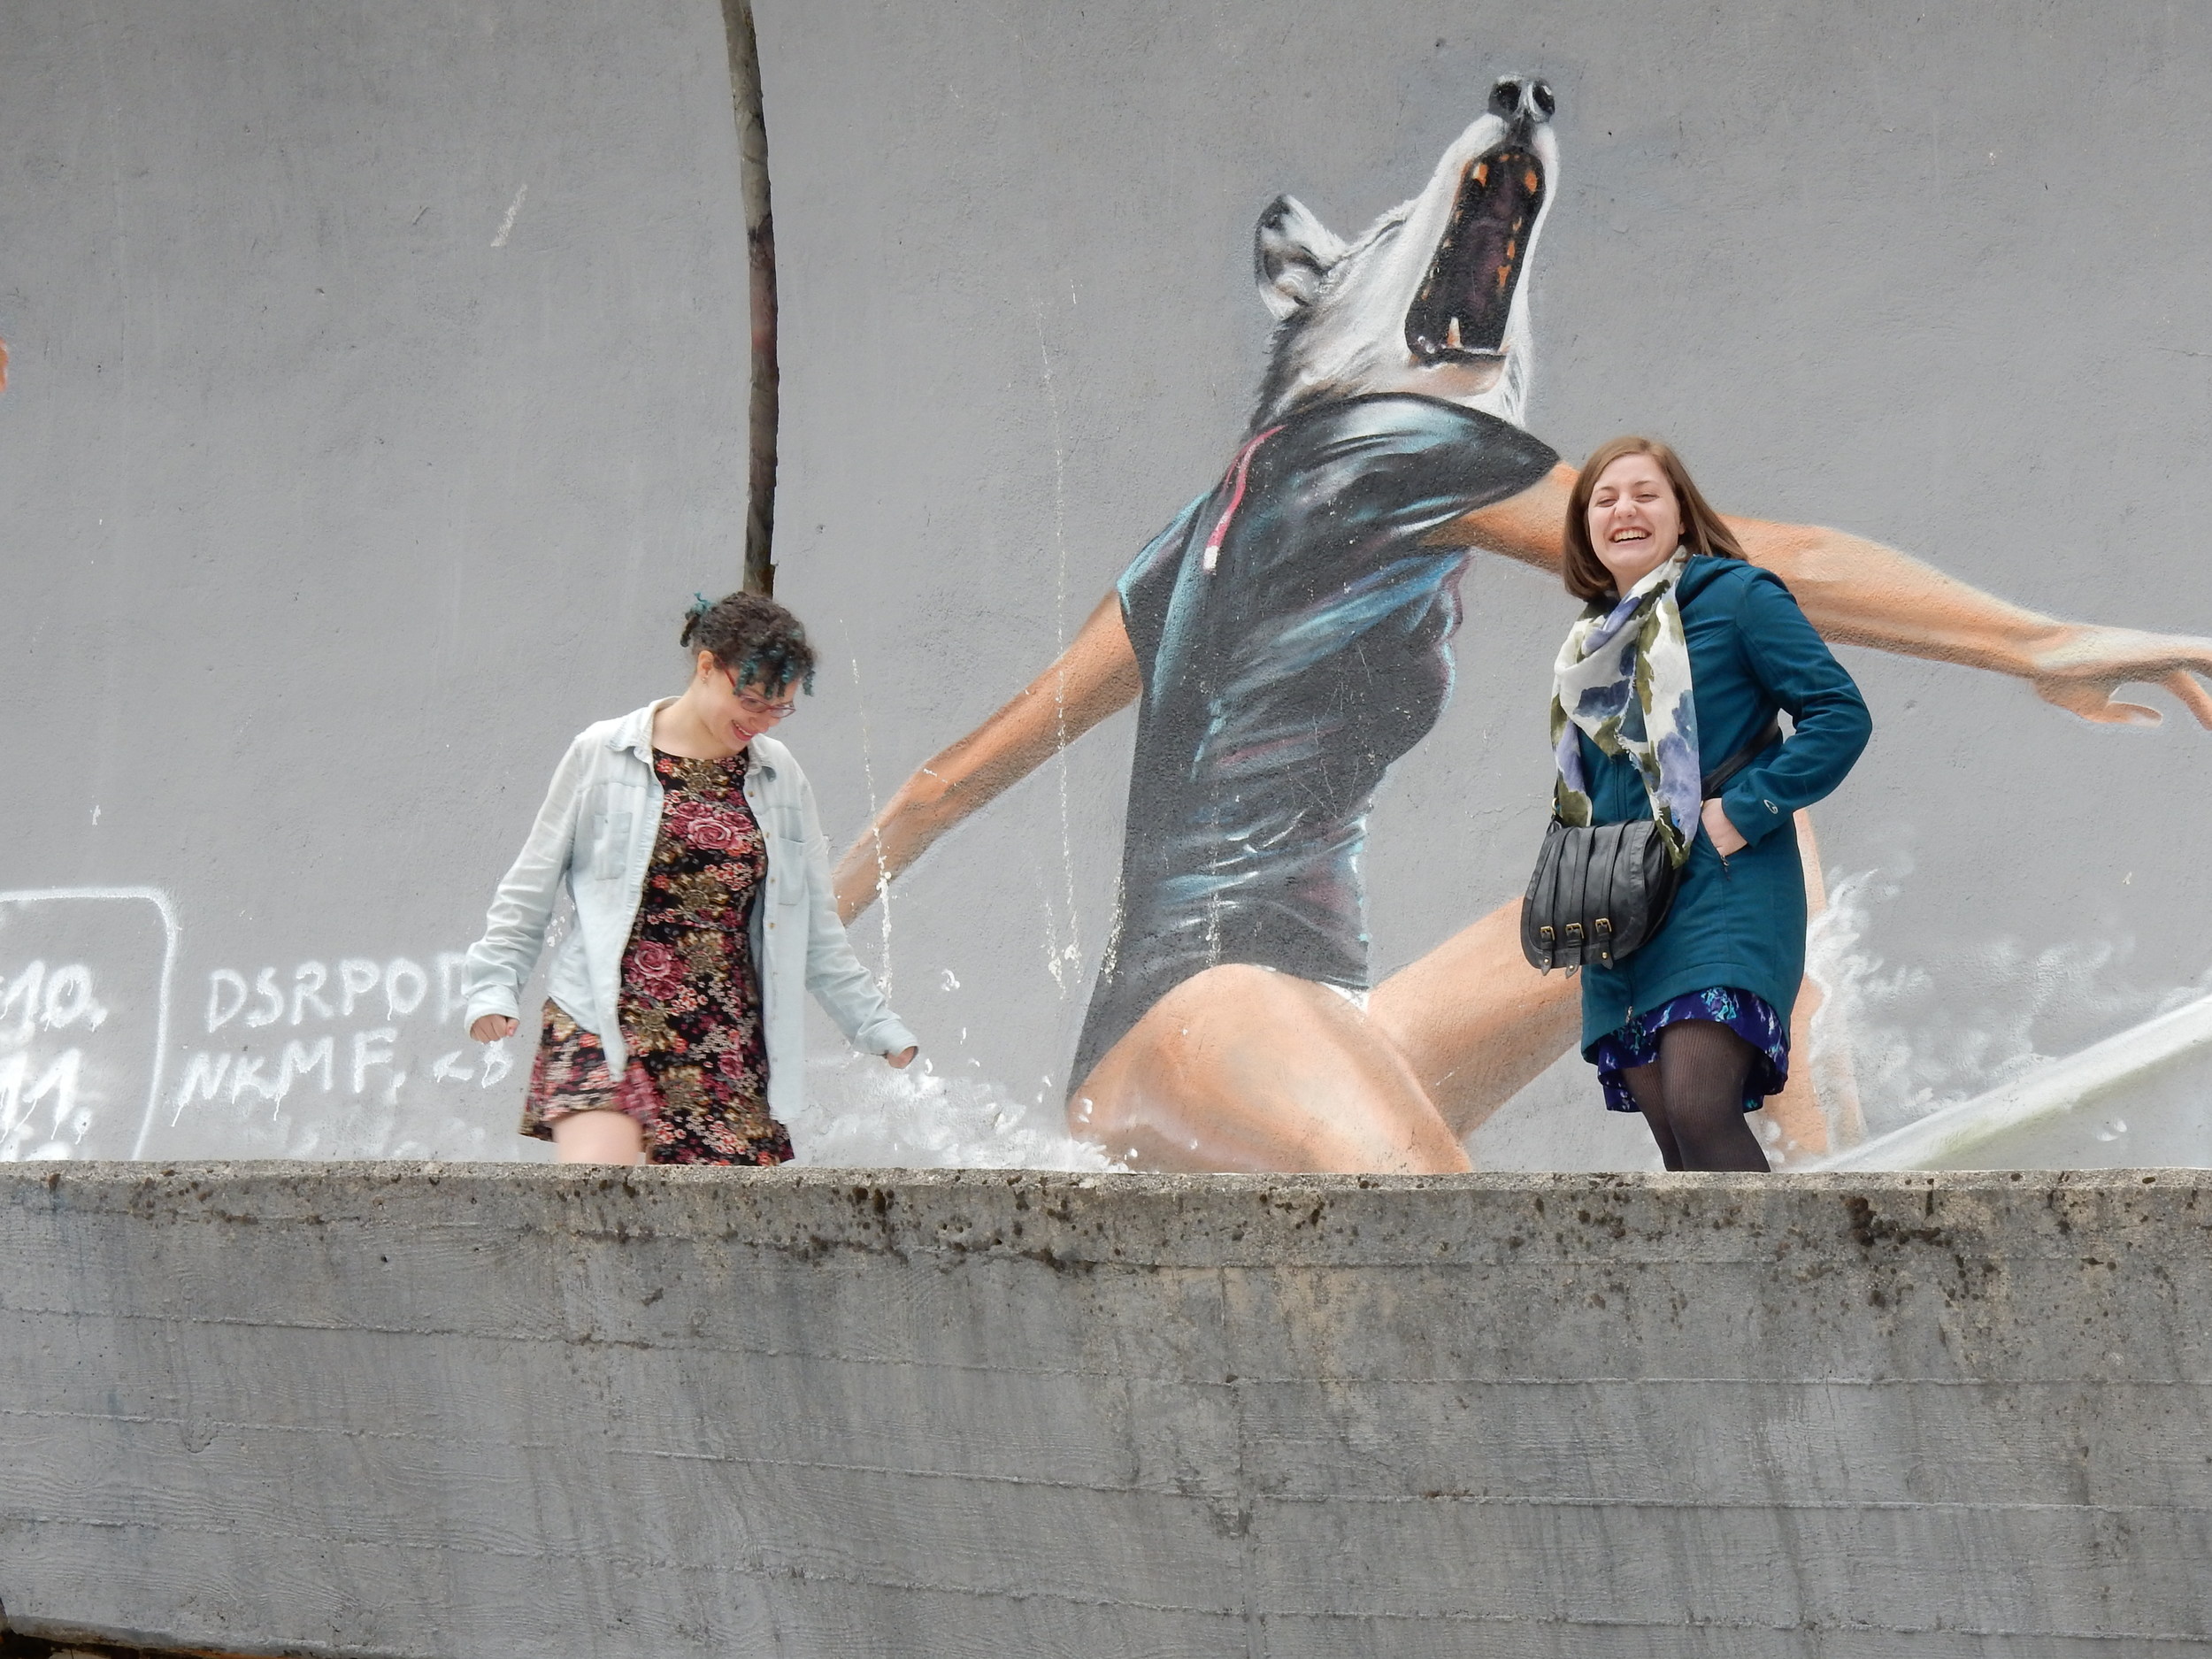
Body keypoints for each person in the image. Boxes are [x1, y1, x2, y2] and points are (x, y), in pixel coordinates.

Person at [463, 592, 918, 1165]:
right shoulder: (603, 754)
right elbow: (530, 886)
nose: (760, 720)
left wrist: (876, 1026)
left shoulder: (778, 777)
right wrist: (491, 987)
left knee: (719, 1244)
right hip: (602, 1019)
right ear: (707, 666)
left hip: (721, 1034)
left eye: (779, 708)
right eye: (749, 698)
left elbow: (814, 927)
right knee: (600, 1205)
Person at [1555, 438, 1870, 1171]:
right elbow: (1589, 787)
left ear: (1682, 514)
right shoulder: (1586, 646)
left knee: (1702, 1107)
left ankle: (1794, 1288)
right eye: (1605, 499)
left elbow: (1838, 714)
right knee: (1676, 1136)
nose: (1624, 509)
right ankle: (1733, 1286)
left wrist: (1746, 809)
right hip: (1624, 912)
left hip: (1722, 892)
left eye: (1645, 494)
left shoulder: (1737, 598)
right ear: (1587, 528)